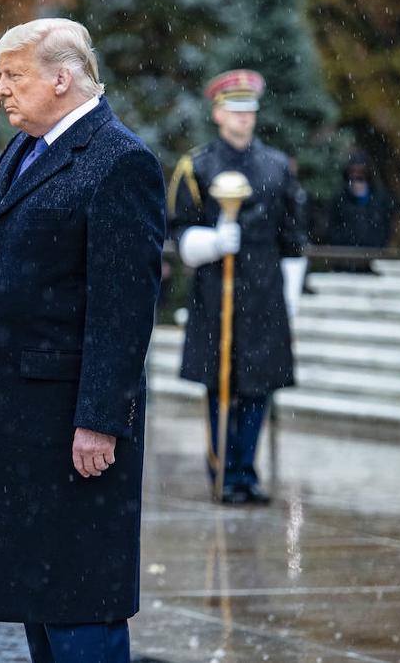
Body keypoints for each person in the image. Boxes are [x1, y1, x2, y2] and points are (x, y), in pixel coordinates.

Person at [0, 18, 164, 663]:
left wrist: (99, 420)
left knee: (81, 599)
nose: (1, 90)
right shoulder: (27, 148)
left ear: (62, 78)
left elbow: (124, 309)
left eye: (14, 76)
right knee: (39, 595)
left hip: (68, 419)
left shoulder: (118, 161)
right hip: (20, 415)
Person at [169, 69, 307, 505]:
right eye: (234, 109)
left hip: (264, 289)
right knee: (219, 382)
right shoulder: (198, 164)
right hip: (217, 290)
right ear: (217, 113)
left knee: (257, 386)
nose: (242, 117)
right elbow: (178, 230)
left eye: (249, 110)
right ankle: (223, 468)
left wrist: (291, 292)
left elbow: (292, 236)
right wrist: (210, 242)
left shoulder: (277, 165)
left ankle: (247, 470)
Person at [326, 151, 394, 272]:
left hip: (372, 260)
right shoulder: (340, 199)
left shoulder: (380, 198)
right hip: (345, 260)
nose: (356, 176)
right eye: (353, 172)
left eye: (361, 172)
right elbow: (332, 227)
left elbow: (385, 227)